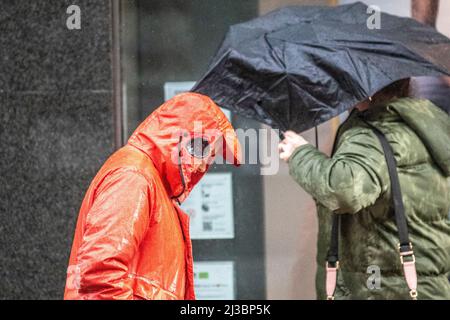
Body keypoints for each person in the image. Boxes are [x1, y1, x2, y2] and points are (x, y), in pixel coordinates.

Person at [279, 79, 450, 299]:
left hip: (382, 288)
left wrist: (299, 154)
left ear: (365, 88)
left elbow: (343, 190)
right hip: (423, 285)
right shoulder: (420, 124)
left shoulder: (375, 134)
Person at [64, 92, 241, 300]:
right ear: (183, 139)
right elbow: (101, 273)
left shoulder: (151, 183)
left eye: (211, 158)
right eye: (204, 150)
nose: (204, 165)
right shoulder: (134, 176)